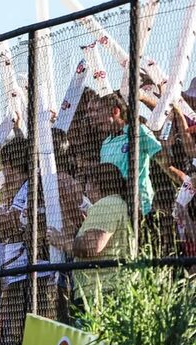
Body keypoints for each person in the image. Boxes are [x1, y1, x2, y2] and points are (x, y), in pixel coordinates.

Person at [48, 163, 131, 305]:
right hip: (102, 290)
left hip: (101, 293)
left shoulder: (106, 203)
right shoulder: (115, 204)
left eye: (87, 183)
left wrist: (63, 242)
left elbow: (91, 246)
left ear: (95, 184)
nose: (85, 189)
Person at [86, 92, 162, 215]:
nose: (95, 116)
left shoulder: (138, 131)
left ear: (116, 111)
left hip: (141, 207)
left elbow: (163, 159)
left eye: (99, 110)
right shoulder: (105, 144)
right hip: (116, 208)